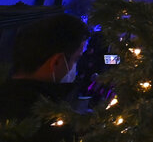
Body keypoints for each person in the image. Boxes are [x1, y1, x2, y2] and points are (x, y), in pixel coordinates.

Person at [0, 13, 89, 141]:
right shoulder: (49, 123)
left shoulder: (6, 95)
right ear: (56, 61)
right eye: (76, 59)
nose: (75, 67)